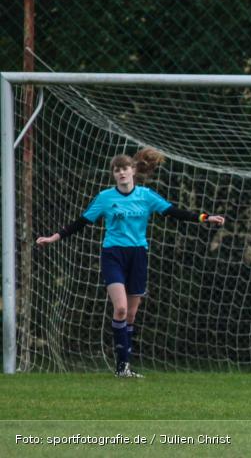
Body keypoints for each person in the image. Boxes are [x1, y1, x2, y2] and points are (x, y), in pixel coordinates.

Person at [36, 148, 225, 377]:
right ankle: (121, 367)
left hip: (138, 256)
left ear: (133, 170)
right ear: (114, 174)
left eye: (125, 168)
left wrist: (205, 218)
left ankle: (125, 366)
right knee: (121, 309)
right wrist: (54, 237)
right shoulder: (105, 198)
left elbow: (174, 212)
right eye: (117, 170)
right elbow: (80, 222)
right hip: (113, 255)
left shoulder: (146, 195)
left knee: (131, 316)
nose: (122, 173)